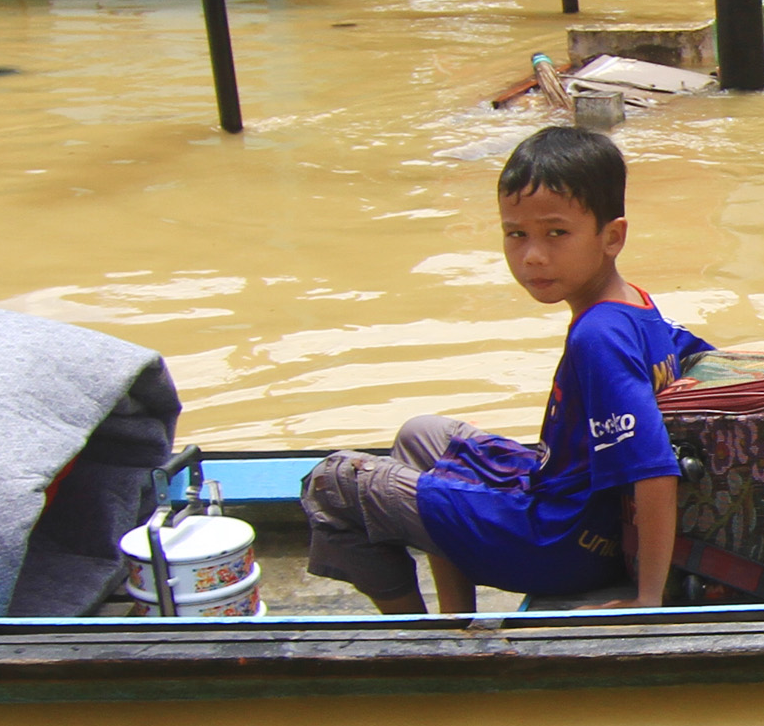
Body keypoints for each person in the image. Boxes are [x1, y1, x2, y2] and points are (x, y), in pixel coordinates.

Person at [301, 125, 704, 613]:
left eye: (556, 233)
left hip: (560, 543)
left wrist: (646, 601)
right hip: (570, 506)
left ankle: (411, 635)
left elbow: (655, 469)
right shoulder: (637, 304)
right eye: (517, 235)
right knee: (420, 435)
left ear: (611, 236)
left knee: (333, 483)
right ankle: (455, 619)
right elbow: (704, 358)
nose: (532, 256)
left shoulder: (598, 334)